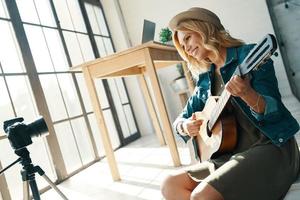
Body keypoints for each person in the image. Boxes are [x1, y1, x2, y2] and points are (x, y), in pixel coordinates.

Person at [161, 7, 300, 200]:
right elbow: (179, 121)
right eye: (182, 45)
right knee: (170, 185)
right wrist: (185, 127)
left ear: (204, 29)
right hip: (229, 156)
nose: (186, 48)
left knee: (201, 195)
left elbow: (275, 111)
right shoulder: (205, 80)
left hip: (270, 146)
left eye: (187, 38)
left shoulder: (249, 56)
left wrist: (247, 93)